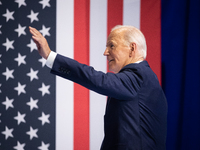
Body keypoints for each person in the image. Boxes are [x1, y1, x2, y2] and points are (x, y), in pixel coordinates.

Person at [29, 25, 167, 150]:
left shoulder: (139, 76)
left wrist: (50, 56)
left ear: (132, 48)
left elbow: (98, 80)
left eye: (111, 46)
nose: (105, 52)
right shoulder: (145, 79)